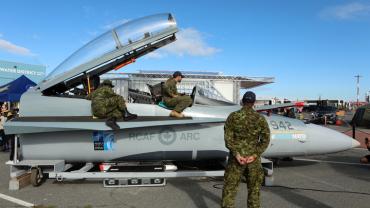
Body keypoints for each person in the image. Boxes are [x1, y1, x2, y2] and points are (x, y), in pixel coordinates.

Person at [222, 91, 271, 208]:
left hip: (236, 160)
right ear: (253, 103)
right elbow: (265, 140)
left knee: (229, 191)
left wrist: (237, 154)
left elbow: (228, 139)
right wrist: (254, 155)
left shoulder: (233, 116)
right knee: (254, 191)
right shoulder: (260, 119)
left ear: (242, 101)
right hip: (253, 161)